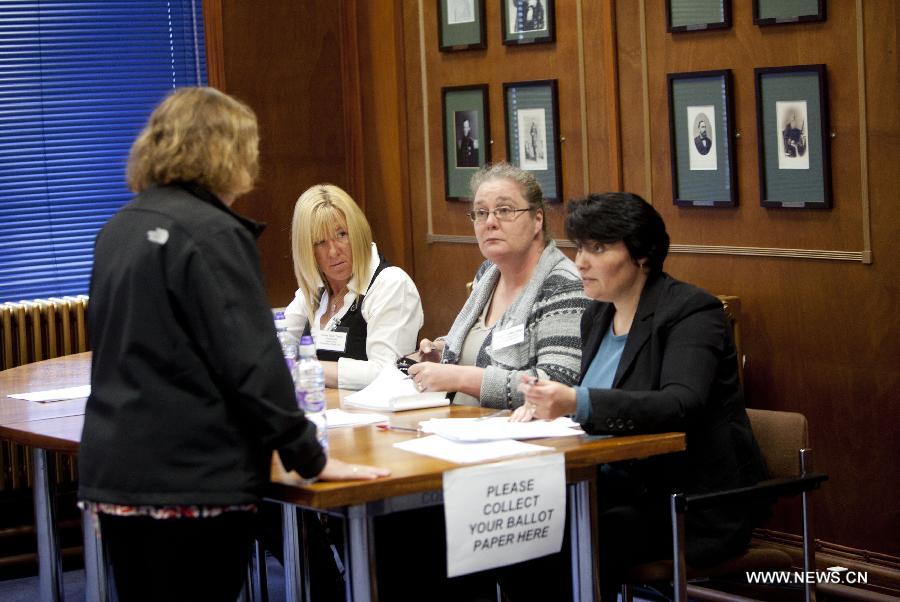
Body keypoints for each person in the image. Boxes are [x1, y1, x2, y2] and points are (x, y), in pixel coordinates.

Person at [78, 87, 388, 602]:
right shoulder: (214, 234)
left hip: (115, 474)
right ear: (228, 152)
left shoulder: (119, 228)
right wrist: (309, 457)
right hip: (192, 477)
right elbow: (254, 362)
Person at [514, 192, 768, 599]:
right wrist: (543, 409)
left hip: (684, 503)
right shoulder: (597, 313)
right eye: (579, 248)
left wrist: (576, 401)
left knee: (556, 541)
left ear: (642, 255)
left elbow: (681, 404)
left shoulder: (691, 311)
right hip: (609, 488)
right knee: (513, 527)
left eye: (598, 249)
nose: (580, 262)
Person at [410, 162, 588, 409]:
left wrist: (461, 377)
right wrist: (443, 351)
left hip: (522, 437)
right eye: (481, 213)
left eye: (504, 210)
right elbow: (481, 345)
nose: (490, 222)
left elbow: (557, 386)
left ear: (537, 220)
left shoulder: (563, 286)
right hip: (458, 426)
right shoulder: (489, 273)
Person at [284, 183, 423, 390]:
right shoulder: (315, 288)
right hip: (323, 410)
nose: (333, 252)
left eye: (341, 234)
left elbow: (387, 372)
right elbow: (276, 344)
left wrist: (304, 369)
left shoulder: (391, 284)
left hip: (376, 418)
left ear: (358, 232)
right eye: (319, 242)